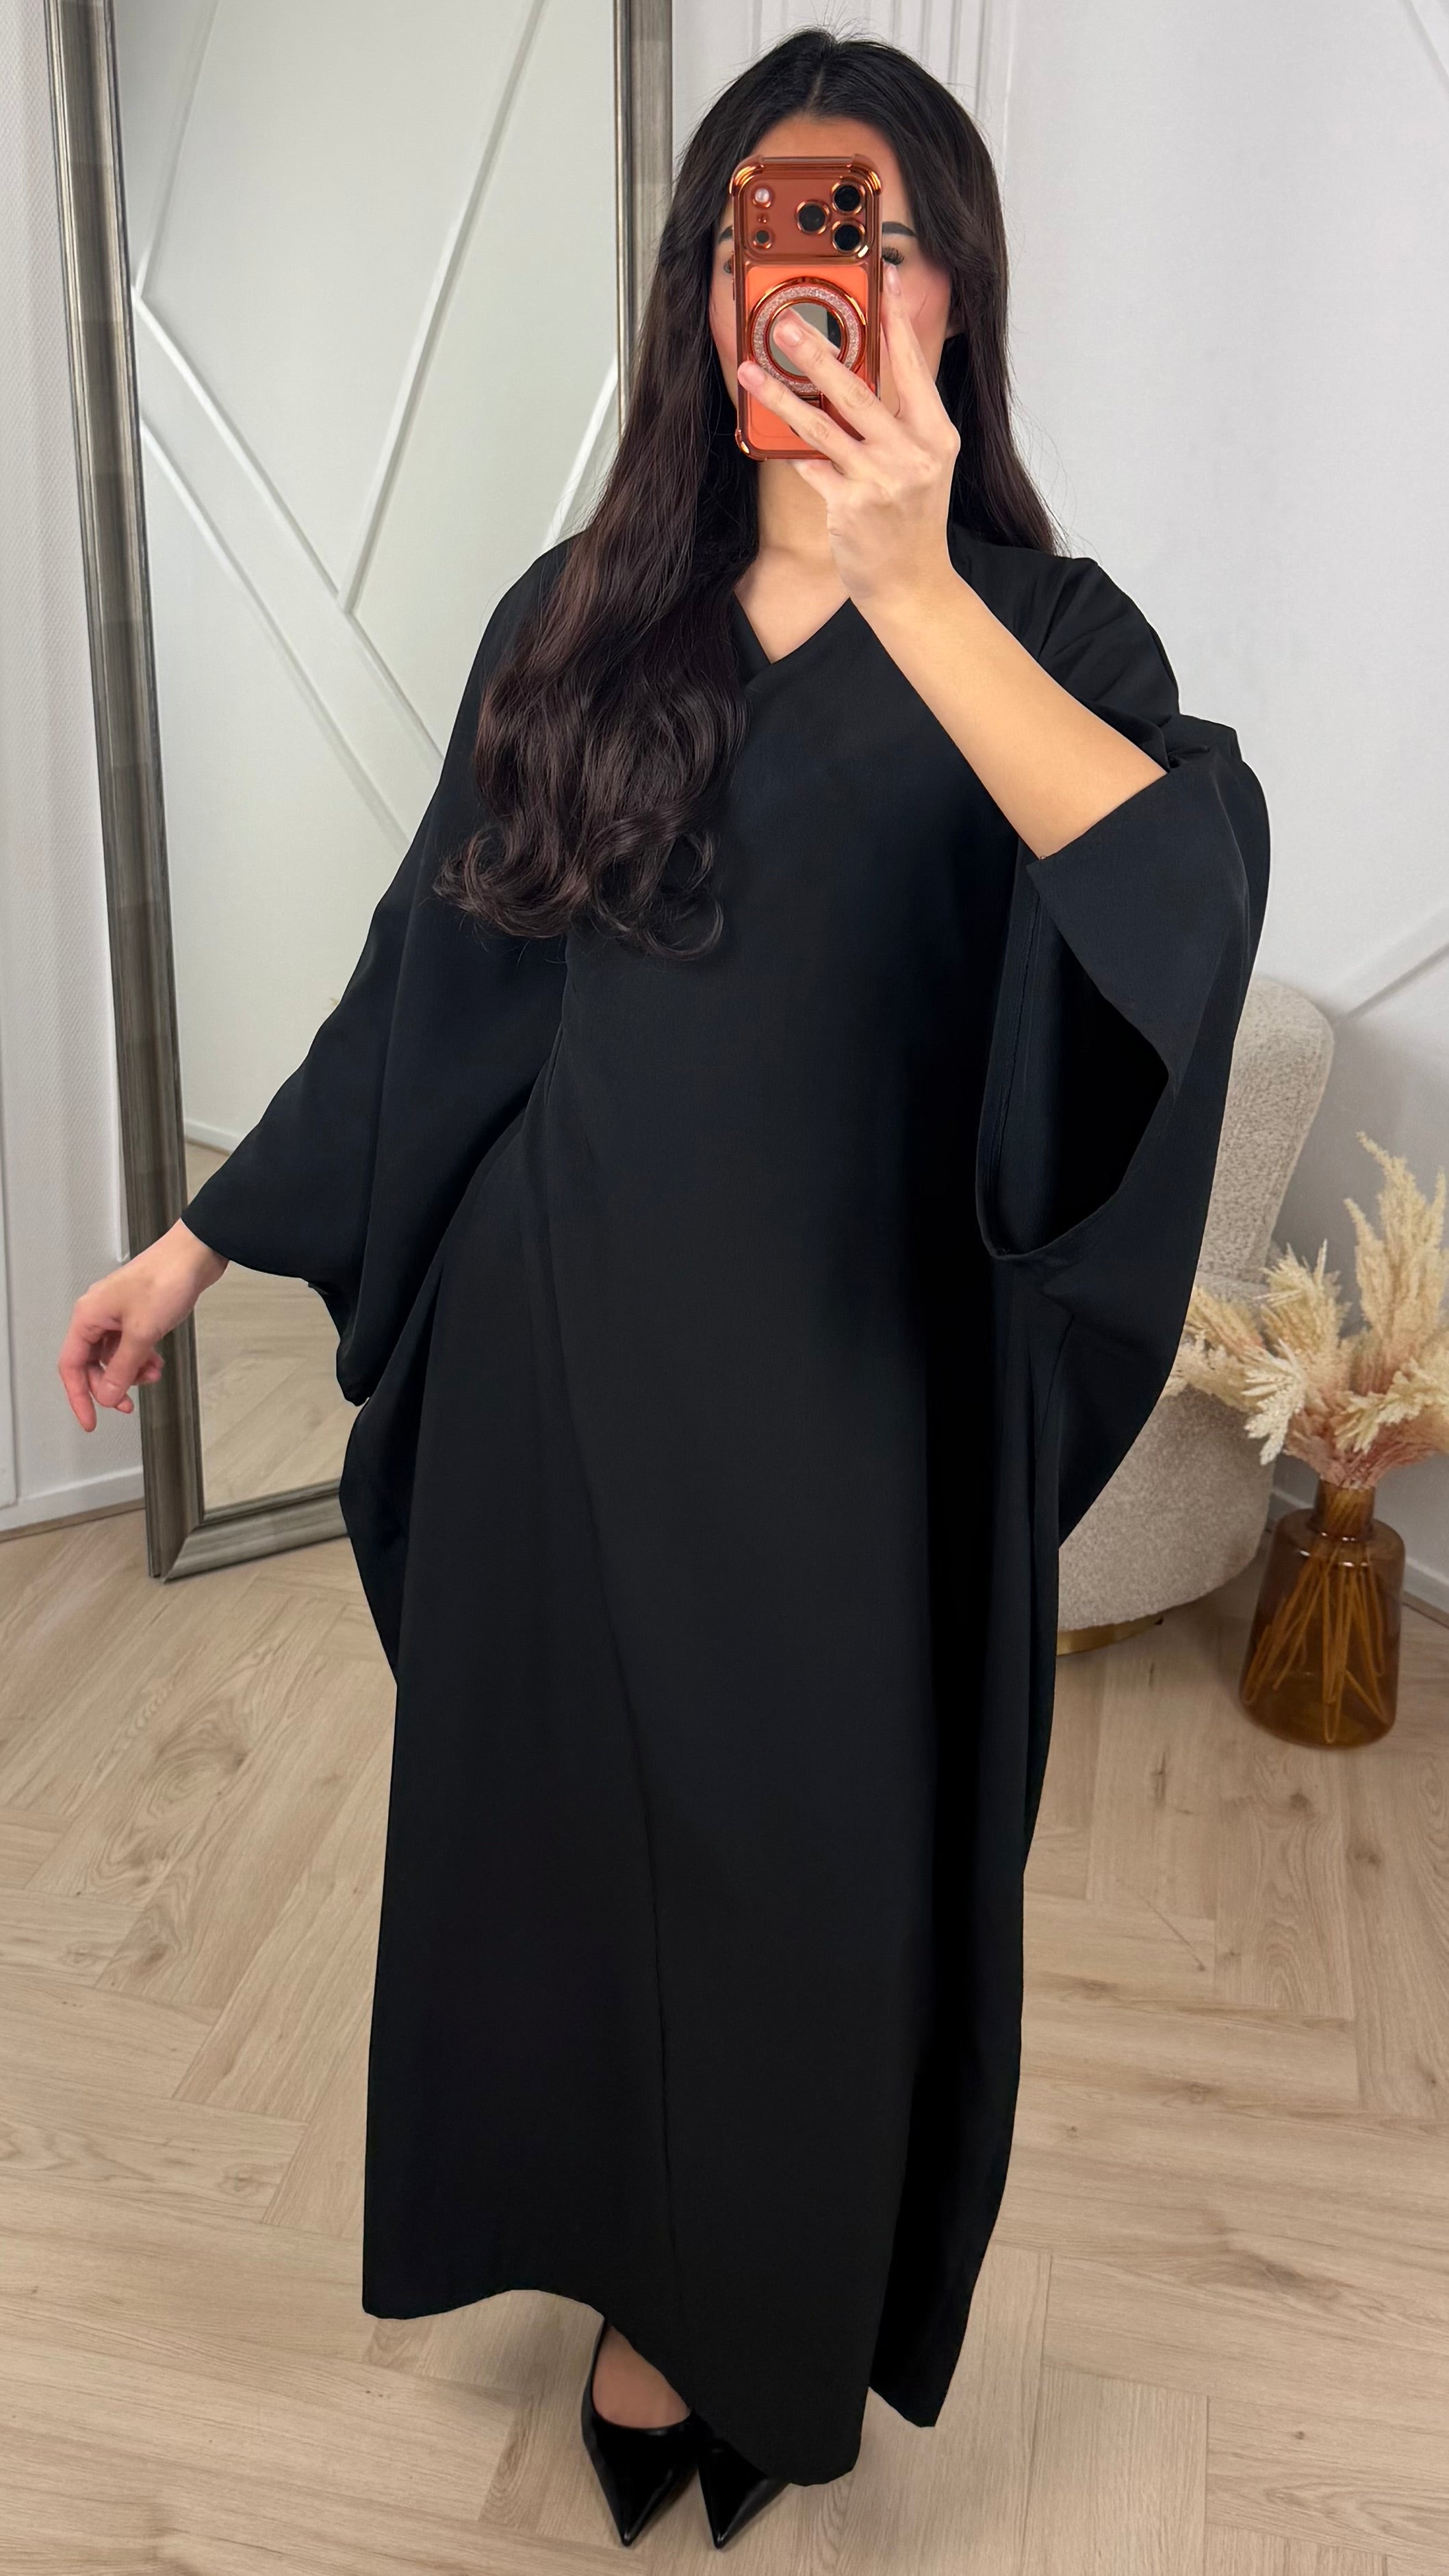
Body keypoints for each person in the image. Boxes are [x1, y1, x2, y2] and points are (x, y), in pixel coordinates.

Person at [57, 28, 1268, 2555]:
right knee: (570, 1861)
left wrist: (910, 582)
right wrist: (195, 1237)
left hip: (842, 1418)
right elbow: (430, 965)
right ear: (705, 290)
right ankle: (621, 2272)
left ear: (950, 289)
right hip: (553, 1372)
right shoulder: (587, 614)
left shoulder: (1043, 628)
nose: (804, 282)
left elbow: (1175, 897)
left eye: (861, 232)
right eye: (758, 233)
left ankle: (755, 2316)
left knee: (804, 1889)